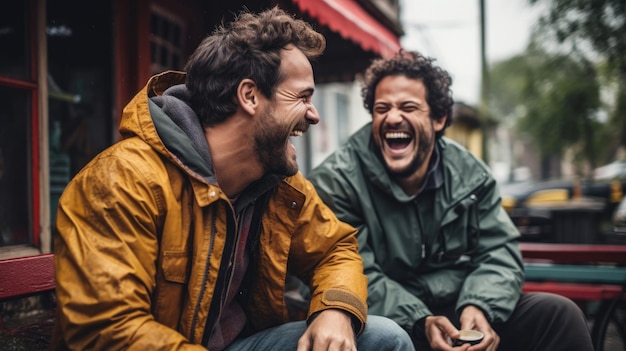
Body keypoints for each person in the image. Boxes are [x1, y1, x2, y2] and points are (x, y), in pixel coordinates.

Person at [50, 7, 414, 351]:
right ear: (250, 95)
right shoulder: (120, 182)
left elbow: (335, 249)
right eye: (302, 97)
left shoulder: (277, 183)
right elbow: (110, 330)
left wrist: (335, 311)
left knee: (384, 338)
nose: (313, 115)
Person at [308, 50, 594, 351]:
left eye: (408, 106)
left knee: (560, 314)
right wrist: (421, 320)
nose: (392, 117)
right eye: (382, 108)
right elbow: (351, 274)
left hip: (459, 308)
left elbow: (499, 252)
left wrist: (480, 306)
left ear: (438, 119)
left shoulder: (471, 176)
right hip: (386, 318)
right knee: (388, 335)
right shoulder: (337, 180)